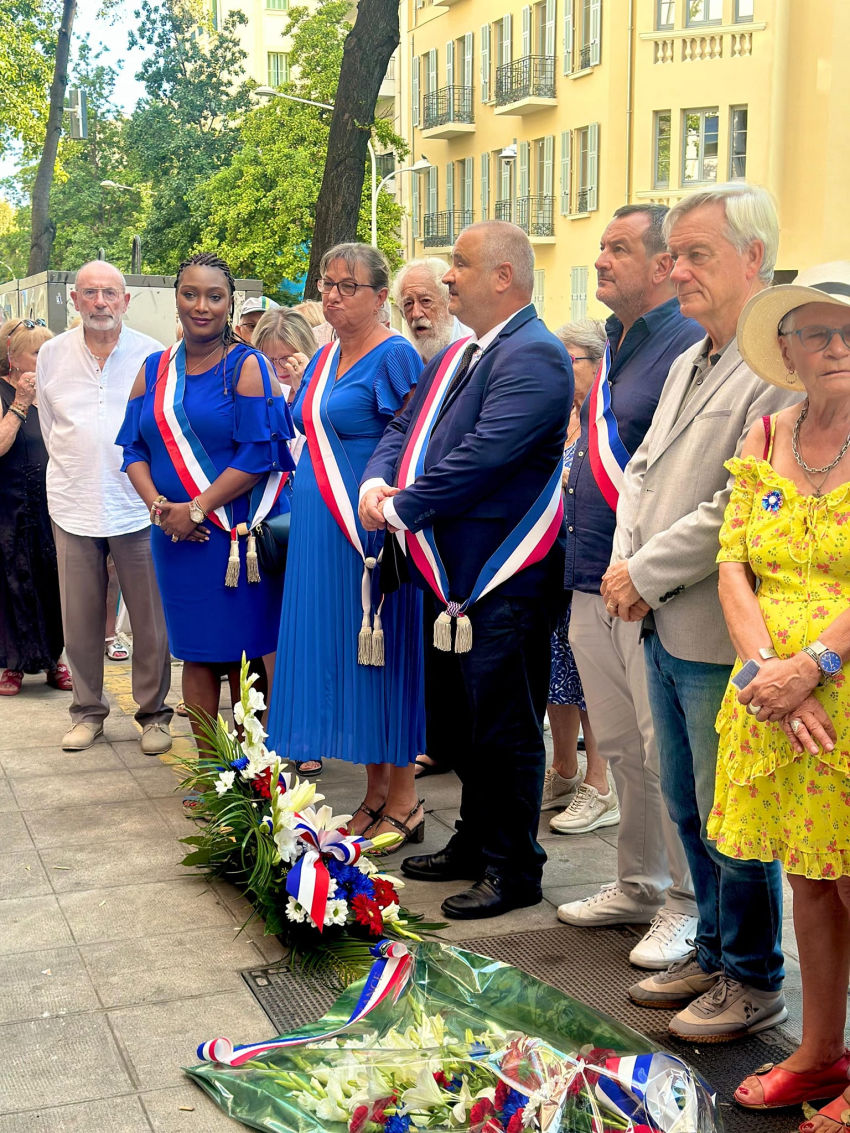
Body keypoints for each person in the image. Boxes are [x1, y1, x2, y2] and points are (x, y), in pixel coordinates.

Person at [604, 184, 801, 1039]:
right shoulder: (695, 355)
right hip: (662, 616)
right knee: (689, 804)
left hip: (724, 628)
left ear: (752, 257)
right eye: (675, 254)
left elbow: (735, 505)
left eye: (697, 254)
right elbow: (645, 471)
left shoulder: (774, 365)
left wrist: (641, 570)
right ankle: (716, 953)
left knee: (735, 816)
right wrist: (625, 563)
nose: (675, 269)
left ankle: (754, 979)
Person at [360, 220, 573, 919]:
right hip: (452, 577)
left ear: (503, 277)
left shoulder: (535, 356)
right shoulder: (463, 355)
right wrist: (375, 480)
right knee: (471, 722)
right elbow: (402, 426)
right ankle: (474, 841)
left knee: (507, 727)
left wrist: (401, 508)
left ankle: (514, 866)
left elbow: (483, 456)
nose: (447, 277)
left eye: (460, 264)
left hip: (501, 577)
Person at [705, 263, 850, 1128]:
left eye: (848, 332)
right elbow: (733, 561)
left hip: (840, 689)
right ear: (787, 352)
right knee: (810, 880)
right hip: (773, 696)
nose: (836, 347)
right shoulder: (765, 433)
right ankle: (821, 1049)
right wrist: (771, 674)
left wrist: (815, 670)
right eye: (817, 334)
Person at [556, 204, 703, 970]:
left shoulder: (685, 342)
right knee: (617, 745)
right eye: (602, 247)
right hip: (591, 576)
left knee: (660, 748)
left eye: (620, 248)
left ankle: (685, 901)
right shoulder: (616, 343)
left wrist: (640, 571)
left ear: (660, 263)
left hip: (644, 585)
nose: (602, 258)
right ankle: (638, 882)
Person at [265, 243, 426, 843]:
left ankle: (405, 798)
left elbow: (414, 444)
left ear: (381, 296)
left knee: (382, 655)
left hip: (368, 532)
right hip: (318, 533)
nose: (332, 294)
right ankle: (375, 792)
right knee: (349, 660)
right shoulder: (324, 355)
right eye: (327, 283)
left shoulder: (396, 357)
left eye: (348, 286)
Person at [118, 252, 294, 748]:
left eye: (214, 296)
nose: (201, 306)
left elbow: (259, 454)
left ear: (229, 303)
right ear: (176, 298)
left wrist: (193, 509)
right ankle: (210, 770)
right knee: (194, 653)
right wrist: (160, 510)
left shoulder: (248, 365)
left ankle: (248, 770)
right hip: (174, 538)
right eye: (190, 294)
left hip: (232, 537)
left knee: (241, 654)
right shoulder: (153, 369)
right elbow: (133, 448)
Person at [36, 261, 174, 754]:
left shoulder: (152, 355)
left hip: (138, 505)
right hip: (72, 501)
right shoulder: (51, 355)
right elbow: (52, 426)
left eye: (110, 294)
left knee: (149, 618)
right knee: (80, 618)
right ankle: (87, 712)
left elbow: (161, 426)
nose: (100, 303)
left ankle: (155, 715)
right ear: (75, 301)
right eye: (90, 293)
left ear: (125, 301)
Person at [544, 319, 608, 832]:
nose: (562, 373)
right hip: (551, 563)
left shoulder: (606, 421)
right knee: (555, 672)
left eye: (572, 362)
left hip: (590, 562)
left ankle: (600, 785)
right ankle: (563, 769)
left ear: (598, 362)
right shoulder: (558, 415)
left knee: (590, 679)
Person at [0, 319, 69, 696]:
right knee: (12, 580)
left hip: (50, 502)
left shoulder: (53, 390)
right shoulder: (6, 393)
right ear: (12, 357)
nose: (45, 359)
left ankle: (55, 660)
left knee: (52, 578)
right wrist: (21, 403)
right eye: (37, 353)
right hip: (8, 503)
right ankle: (13, 663)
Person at [253, 307, 317, 467]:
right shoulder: (251, 397)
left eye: (287, 359)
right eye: (269, 359)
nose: (280, 369)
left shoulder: (323, 394)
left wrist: (305, 390)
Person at [392, 258, 473, 363]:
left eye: (425, 301)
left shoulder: (473, 349)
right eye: (408, 304)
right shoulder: (405, 360)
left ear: (448, 299)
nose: (416, 314)